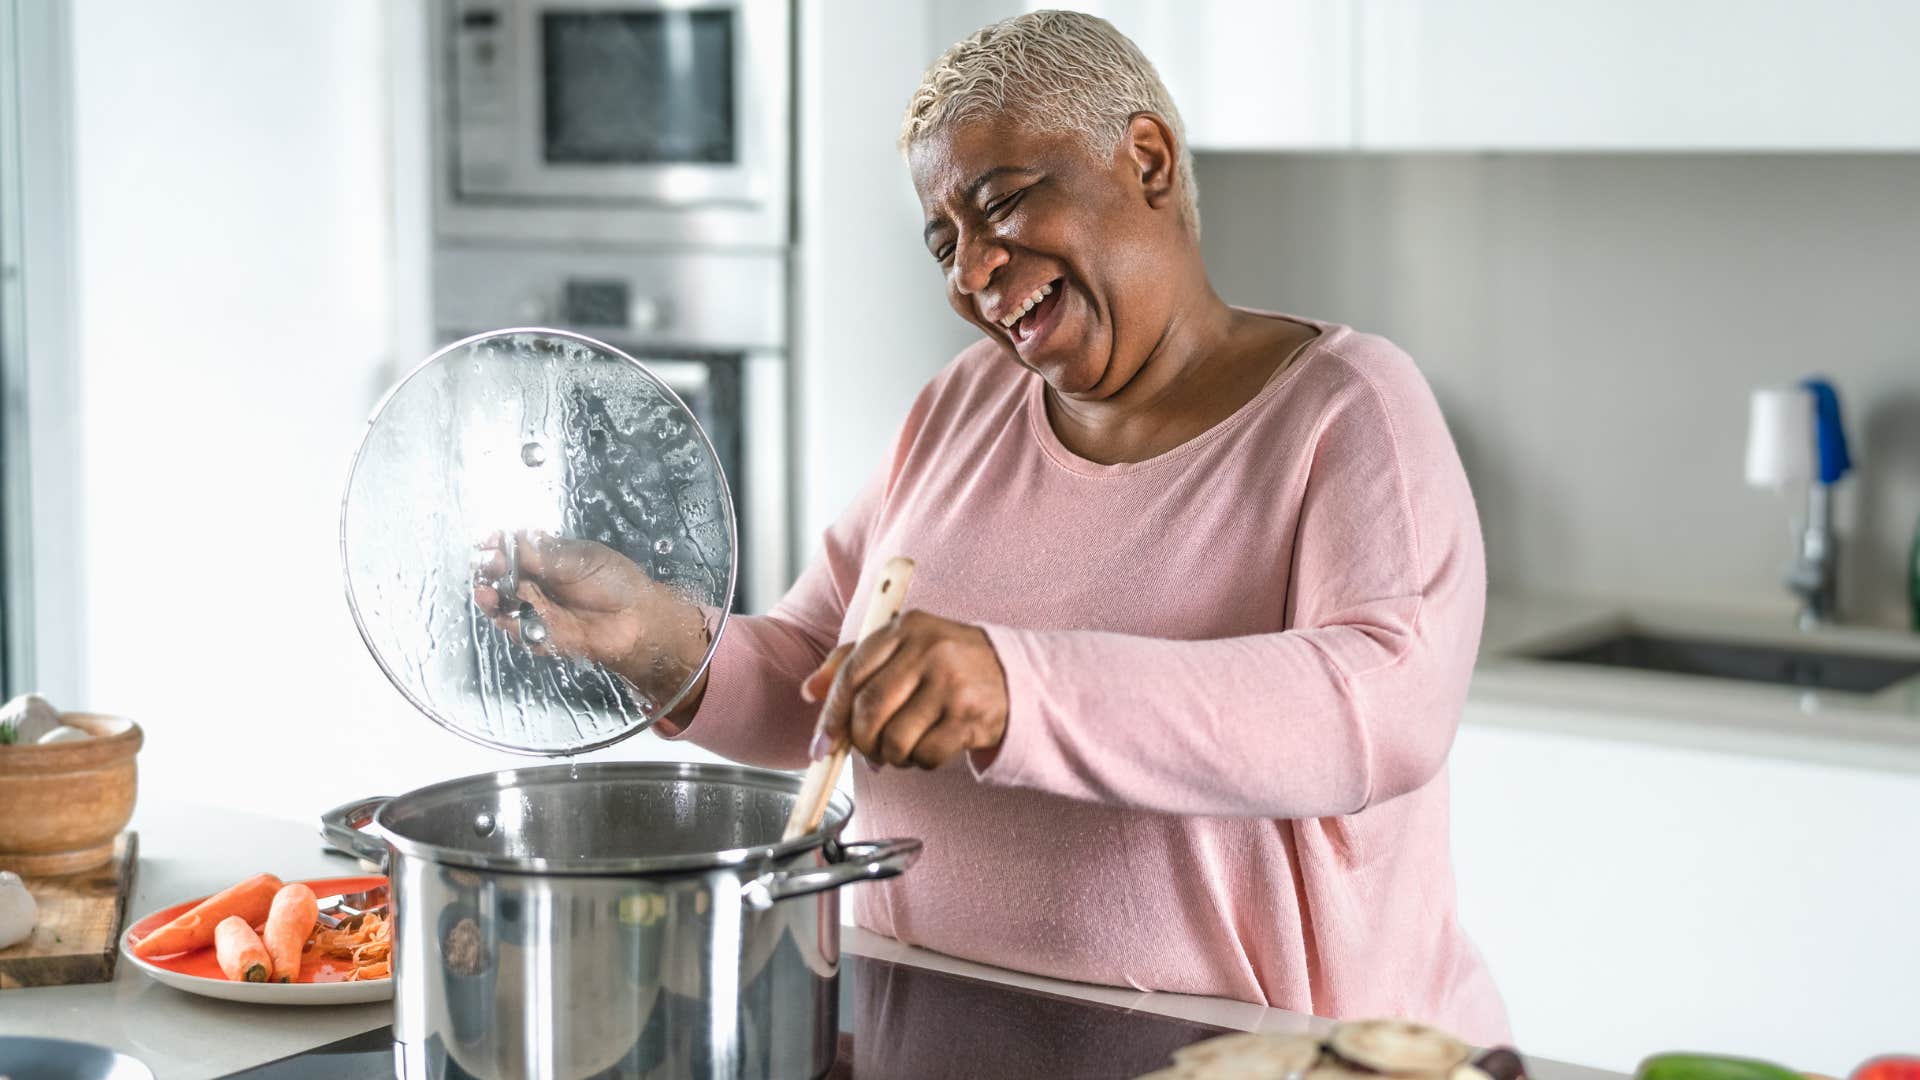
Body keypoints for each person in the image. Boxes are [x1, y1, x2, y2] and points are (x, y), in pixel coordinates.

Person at [477, 10, 1507, 1041]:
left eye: (1002, 204)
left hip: (1252, 1058)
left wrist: (1017, 689)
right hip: (927, 1028)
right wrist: (659, 642)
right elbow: (816, 681)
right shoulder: (960, 407)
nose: (972, 273)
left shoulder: (1345, 408)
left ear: (1145, 160)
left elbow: (1379, 706)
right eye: (945, 244)